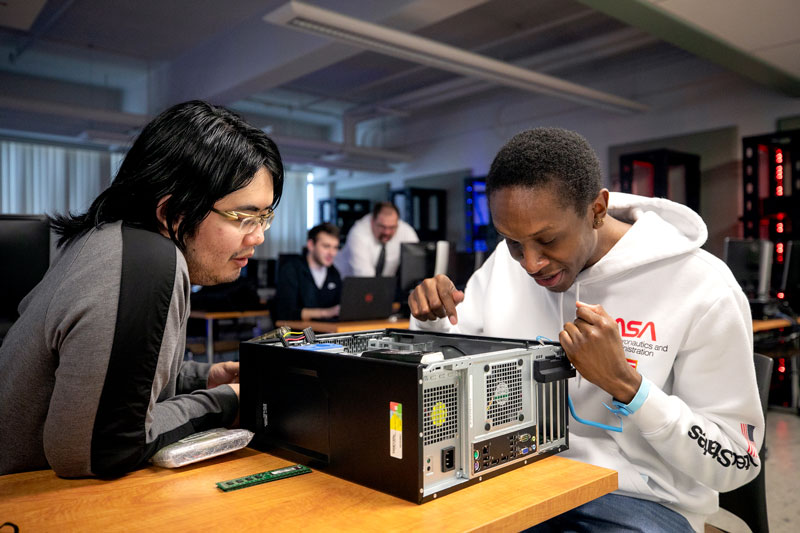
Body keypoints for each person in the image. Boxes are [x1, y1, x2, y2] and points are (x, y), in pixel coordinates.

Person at [408, 128, 763, 532]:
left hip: (638, 501)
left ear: (597, 209)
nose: (530, 263)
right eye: (511, 242)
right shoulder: (505, 266)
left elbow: (737, 460)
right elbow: (445, 375)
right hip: (518, 479)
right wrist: (433, 317)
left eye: (547, 240)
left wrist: (629, 386)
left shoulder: (701, 286)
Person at [0, 100, 284, 477]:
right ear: (171, 213)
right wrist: (225, 401)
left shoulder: (107, 240)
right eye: (245, 216)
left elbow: (99, 381)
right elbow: (97, 450)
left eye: (265, 216)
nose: (260, 235)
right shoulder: (147, 262)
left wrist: (201, 378)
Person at [271, 222, 342, 321]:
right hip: (298, 334)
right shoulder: (291, 270)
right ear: (311, 245)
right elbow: (285, 313)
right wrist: (326, 313)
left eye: (335, 247)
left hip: (327, 334)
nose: (332, 253)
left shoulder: (334, 273)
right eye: (326, 246)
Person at [334, 201, 418, 278]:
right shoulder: (358, 233)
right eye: (382, 226)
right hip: (345, 282)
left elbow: (416, 264)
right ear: (372, 221)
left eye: (392, 227)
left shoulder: (406, 231)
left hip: (381, 285)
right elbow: (365, 275)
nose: (387, 232)